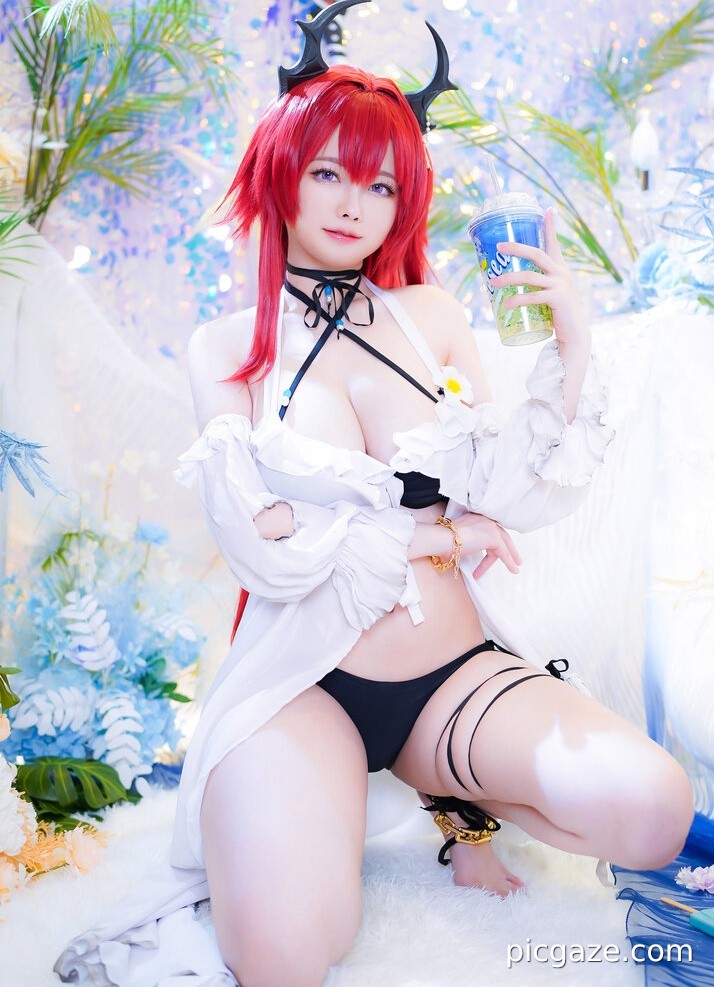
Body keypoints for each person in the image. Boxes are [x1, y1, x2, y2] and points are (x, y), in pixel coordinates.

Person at [55, 6, 694, 986]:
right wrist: (436, 536)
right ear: (280, 172)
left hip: (449, 677)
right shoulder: (225, 349)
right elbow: (267, 550)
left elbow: (510, 491)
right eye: (330, 173)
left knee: (654, 809)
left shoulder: (430, 317)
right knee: (283, 956)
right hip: (302, 686)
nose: (356, 203)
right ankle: (323, 809)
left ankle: (451, 797)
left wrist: (571, 344)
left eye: (382, 184)